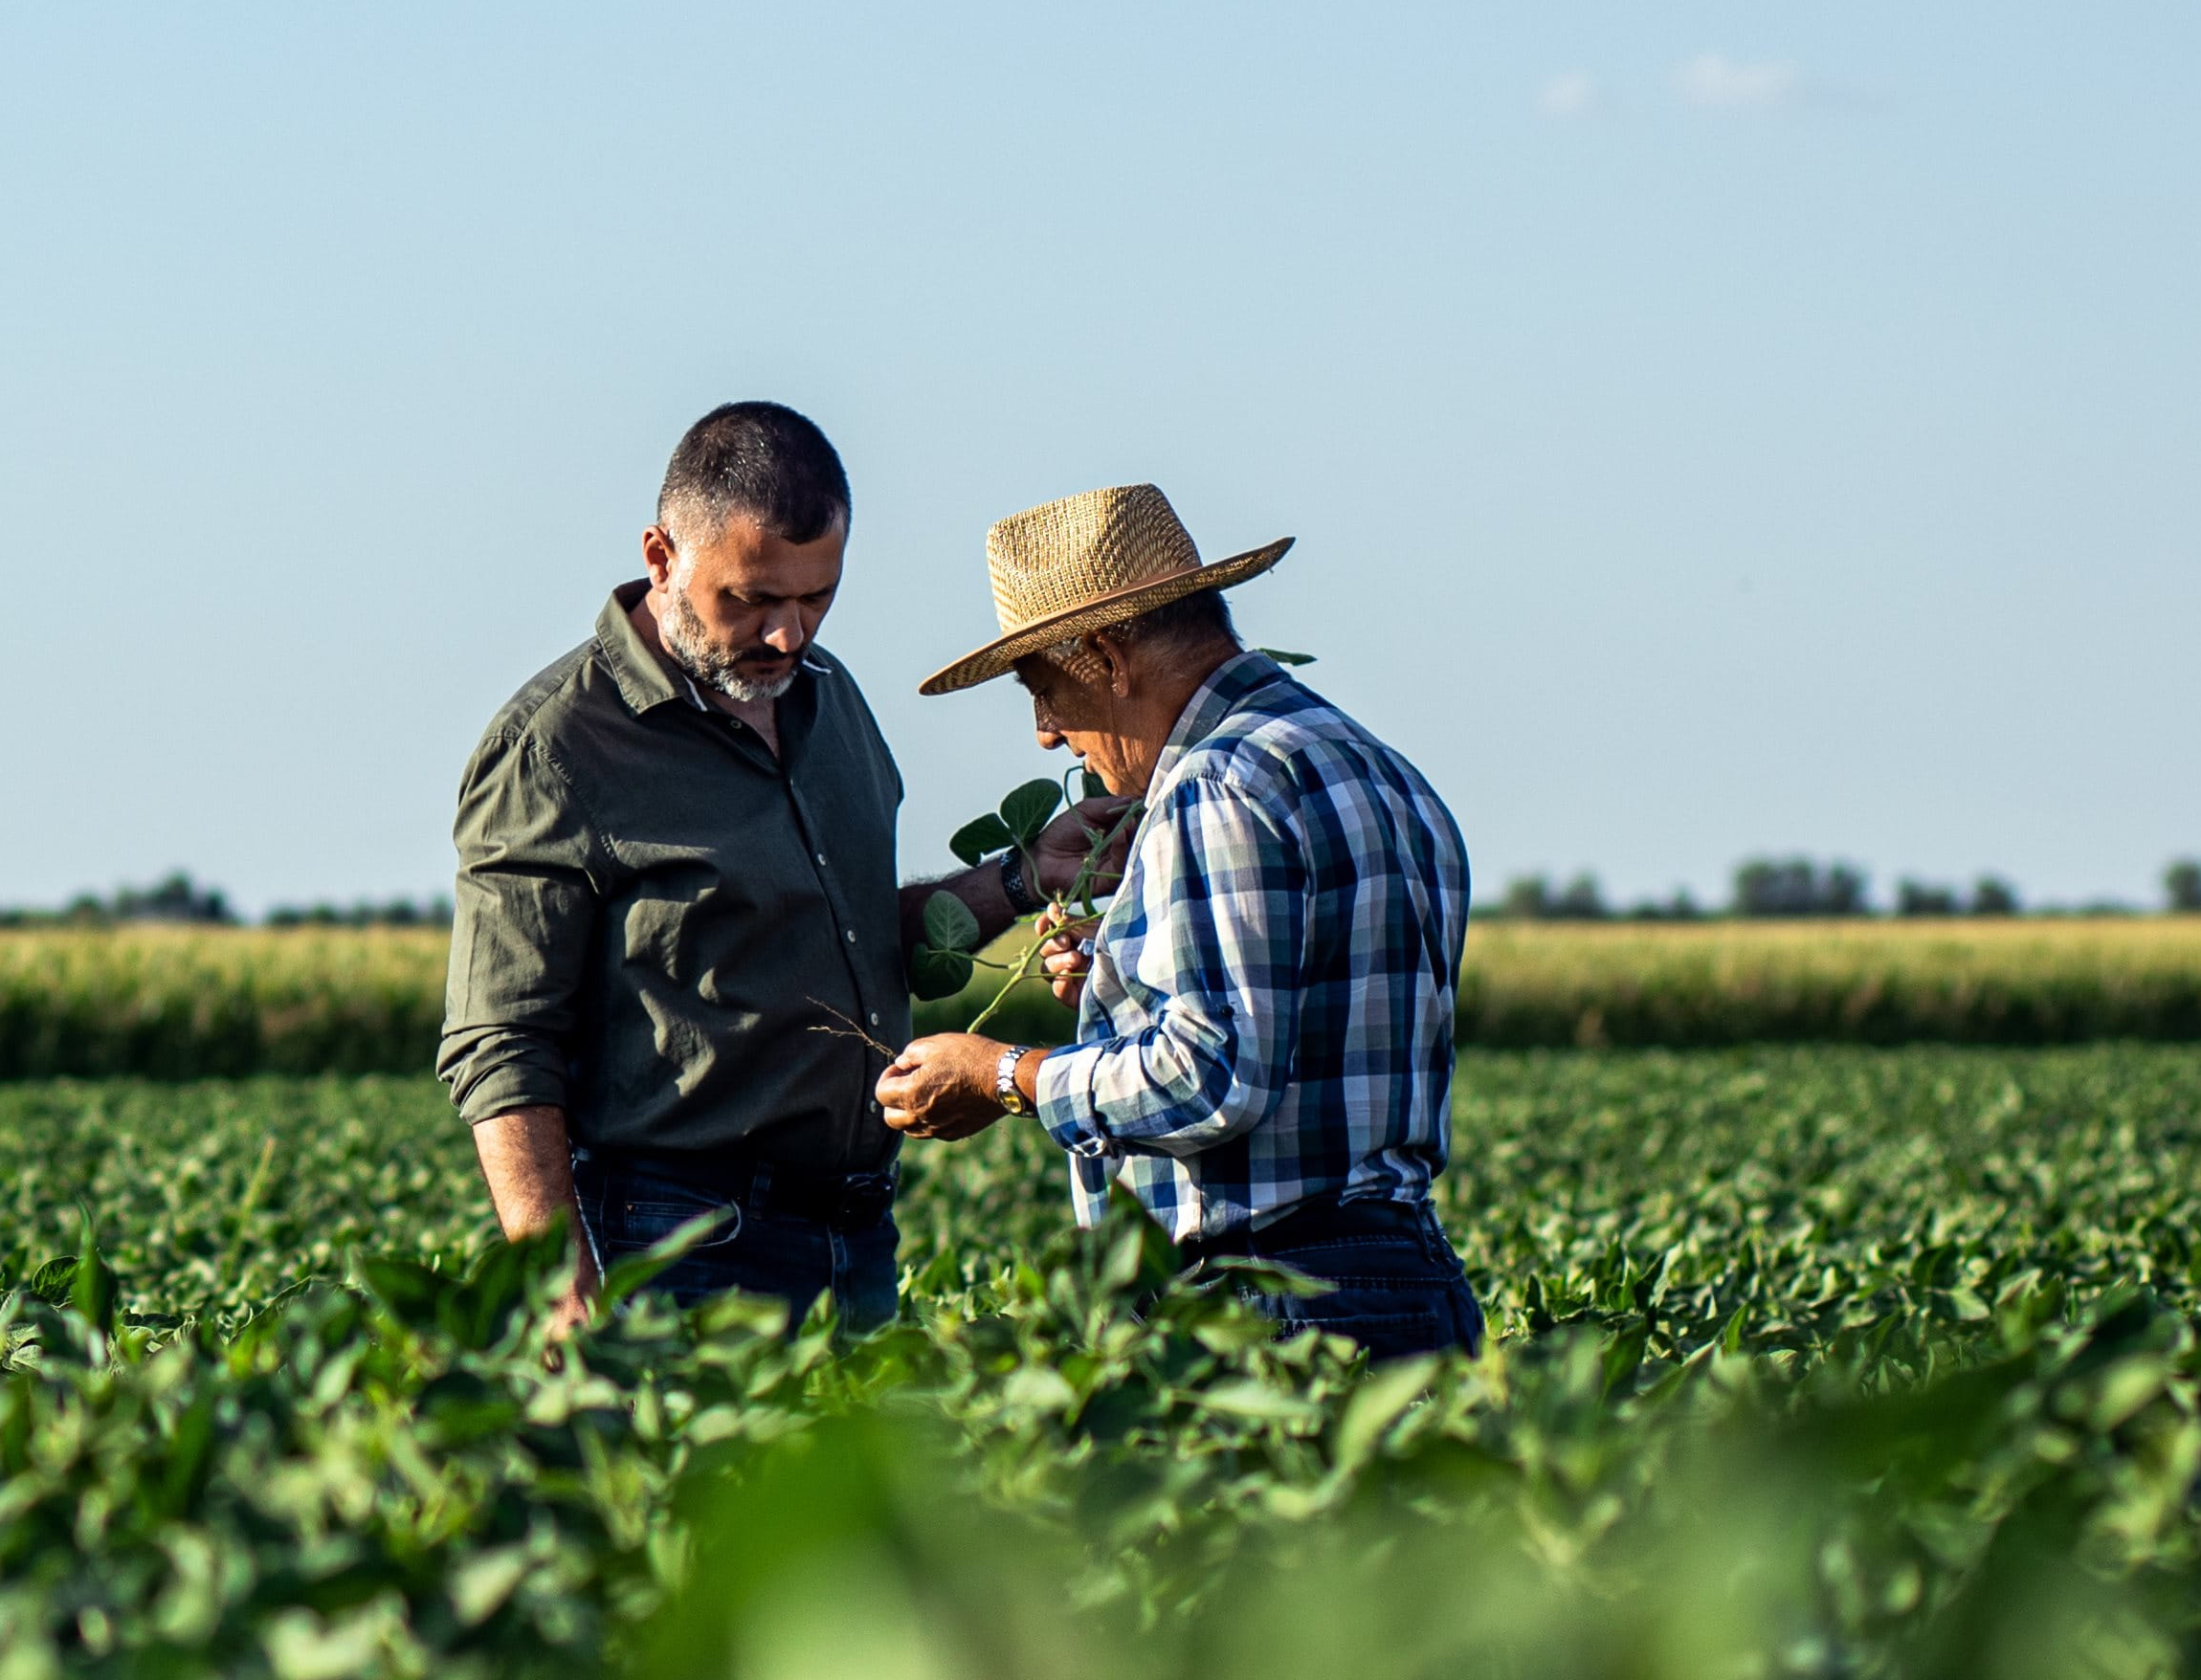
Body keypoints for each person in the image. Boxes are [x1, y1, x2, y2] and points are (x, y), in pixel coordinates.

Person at [445, 403, 1125, 1328]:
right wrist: (555, 1278)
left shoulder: (829, 702)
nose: (787, 636)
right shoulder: (559, 746)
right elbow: (503, 1040)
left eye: (816, 598)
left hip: (857, 1233)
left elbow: (838, 929)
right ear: (661, 557)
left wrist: (1018, 876)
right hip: (675, 1242)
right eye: (753, 600)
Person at [870, 483, 1486, 1357]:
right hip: (1406, 1282)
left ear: (1109, 657)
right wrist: (1130, 968)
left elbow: (1212, 1073)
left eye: (1043, 689)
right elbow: (1312, 1015)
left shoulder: (1216, 784)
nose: (1047, 733)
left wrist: (1003, 1074)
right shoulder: (1379, 768)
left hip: (1273, 1297)